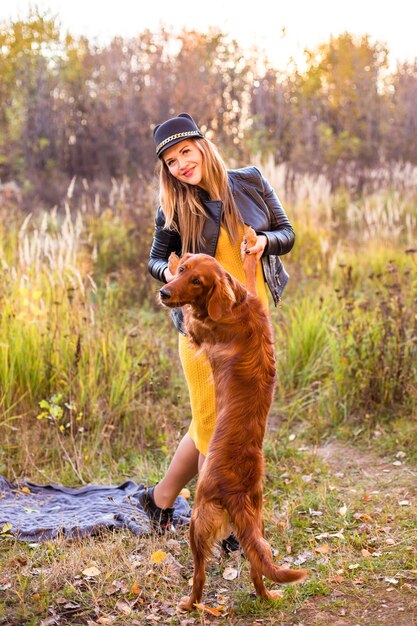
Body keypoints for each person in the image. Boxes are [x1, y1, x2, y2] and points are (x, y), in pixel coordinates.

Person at [140, 113, 295, 538]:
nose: (180, 165)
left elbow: (286, 232)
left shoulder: (249, 182)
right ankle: (220, 532)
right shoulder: (172, 208)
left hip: (248, 326)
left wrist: (264, 242)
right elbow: (155, 259)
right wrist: (169, 272)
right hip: (203, 331)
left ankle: (159, 500)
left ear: (202, 146)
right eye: (171, 161)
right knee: (213, 422)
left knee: (216, 422)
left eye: (184, 152)